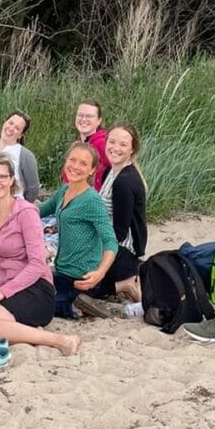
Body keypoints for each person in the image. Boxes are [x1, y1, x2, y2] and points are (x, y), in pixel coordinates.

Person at [0, 155, 80, 363]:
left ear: (11, 180)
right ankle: (23, 331)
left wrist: (1, 293)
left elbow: (38, 264)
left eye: (1, 176)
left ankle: (59, 340)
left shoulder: (26, 212)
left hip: (35, 288)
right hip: (5, 290)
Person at [41, 142, 118, 319]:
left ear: (92, 170)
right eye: (72, 160)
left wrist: (100, 273)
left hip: (81, 278)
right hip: (60, 270)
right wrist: (11, 207)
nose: (75, 166)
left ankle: (77, 306)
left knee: (42, 305)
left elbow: (110, 241)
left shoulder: (92, 201)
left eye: (83, 163)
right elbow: (39, 210)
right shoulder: (63, 190)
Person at [89, 124, 147, 302]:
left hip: (122, 251)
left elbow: (119, 233)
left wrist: (88, 247)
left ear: (132, 149)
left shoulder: (124, 182)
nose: (115, 148)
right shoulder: (110, 171)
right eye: (112, 142)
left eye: (123, 144)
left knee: (80, 285)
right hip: (108, 242)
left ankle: (125, 283)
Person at [0, 111, 41, 204]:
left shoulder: (25, 156)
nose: (11, 128)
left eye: (17, 128)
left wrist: (19, 207)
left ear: (21, 135)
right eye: (10, 123)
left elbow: (33, 189)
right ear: (4, 122)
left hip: (12, 212)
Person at [61, 100, 110, 190]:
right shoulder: (79, 144)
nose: (83, 119)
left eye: (89, 116)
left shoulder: (102, 143)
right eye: (80, 115)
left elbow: (117, 171)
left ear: (99, 120)